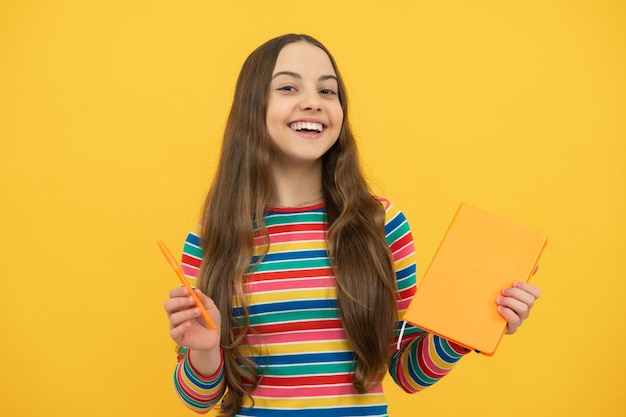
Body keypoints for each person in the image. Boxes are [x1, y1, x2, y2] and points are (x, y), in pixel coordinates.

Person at [163, 33, 541, 417]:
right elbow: (199, 399)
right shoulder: (212, 237)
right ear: (252, 107)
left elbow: (408, 372)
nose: (313, 101)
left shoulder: (381, 223)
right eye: (289, 87)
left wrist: (472, 323)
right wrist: (206, 348)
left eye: (328, 92)